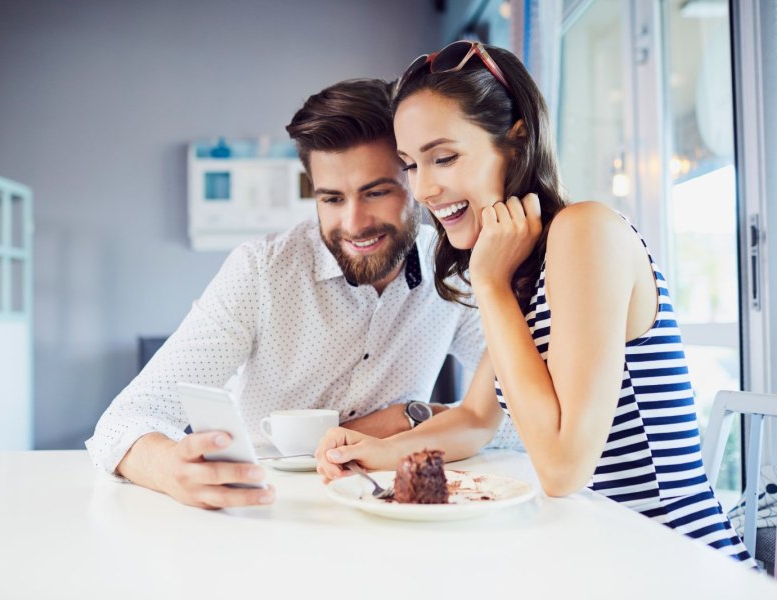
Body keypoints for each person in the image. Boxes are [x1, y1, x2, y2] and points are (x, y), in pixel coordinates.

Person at [315, 42, 754, 566]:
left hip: (674, 560)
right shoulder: (527, 263)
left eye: (445, 157)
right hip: (600, 551)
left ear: (516, 142)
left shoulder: (584, 232)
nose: (425, 188)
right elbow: (478, 417)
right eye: (410, 165)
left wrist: (491, 286)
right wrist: (375, 453)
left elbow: (565, 468)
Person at [87, 78, 518, 510]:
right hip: (268, 509)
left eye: (377, 192)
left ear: (415, 180)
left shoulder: (457, 274)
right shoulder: (261, 271)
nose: (354, 223)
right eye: (332, 199)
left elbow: (522, 417)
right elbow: (122, 421)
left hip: (387, 514)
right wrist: (168, 469)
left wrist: (412, 417)